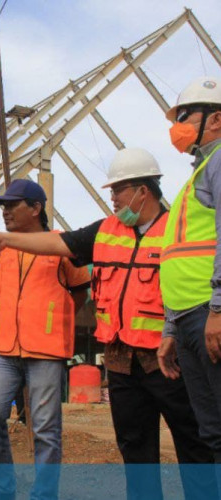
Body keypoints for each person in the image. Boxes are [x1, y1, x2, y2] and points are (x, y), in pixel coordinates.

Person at [0, 150, 215, 500]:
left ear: (142, 191)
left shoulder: (176, 231)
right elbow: (59, 243)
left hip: (167, 359)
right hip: (120, 359)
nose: (113, 198)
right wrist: (6, 238)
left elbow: (192, 281)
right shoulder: (105, 231)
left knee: (192, 441)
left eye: (119, 190)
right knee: (135, 447)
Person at [0, 179, 91, 500]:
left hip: (46, 349)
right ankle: (1, 487)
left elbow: (80, 291)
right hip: (3, 349)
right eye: (3, 206)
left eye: (12, 205)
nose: (5, 212)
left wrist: (55, 320)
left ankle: (43, 495)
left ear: (36, 208)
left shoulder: (61, 245)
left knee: (45, 428)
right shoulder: (2, 249)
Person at [158, 76, 221, 476]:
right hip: (188, 317)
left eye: (185, 116)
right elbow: (176, 258)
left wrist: (219, 306)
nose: (176, 126)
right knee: (212, 431)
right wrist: (170, 327)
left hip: (206, 312)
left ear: (215, 119)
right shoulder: (199, 174)